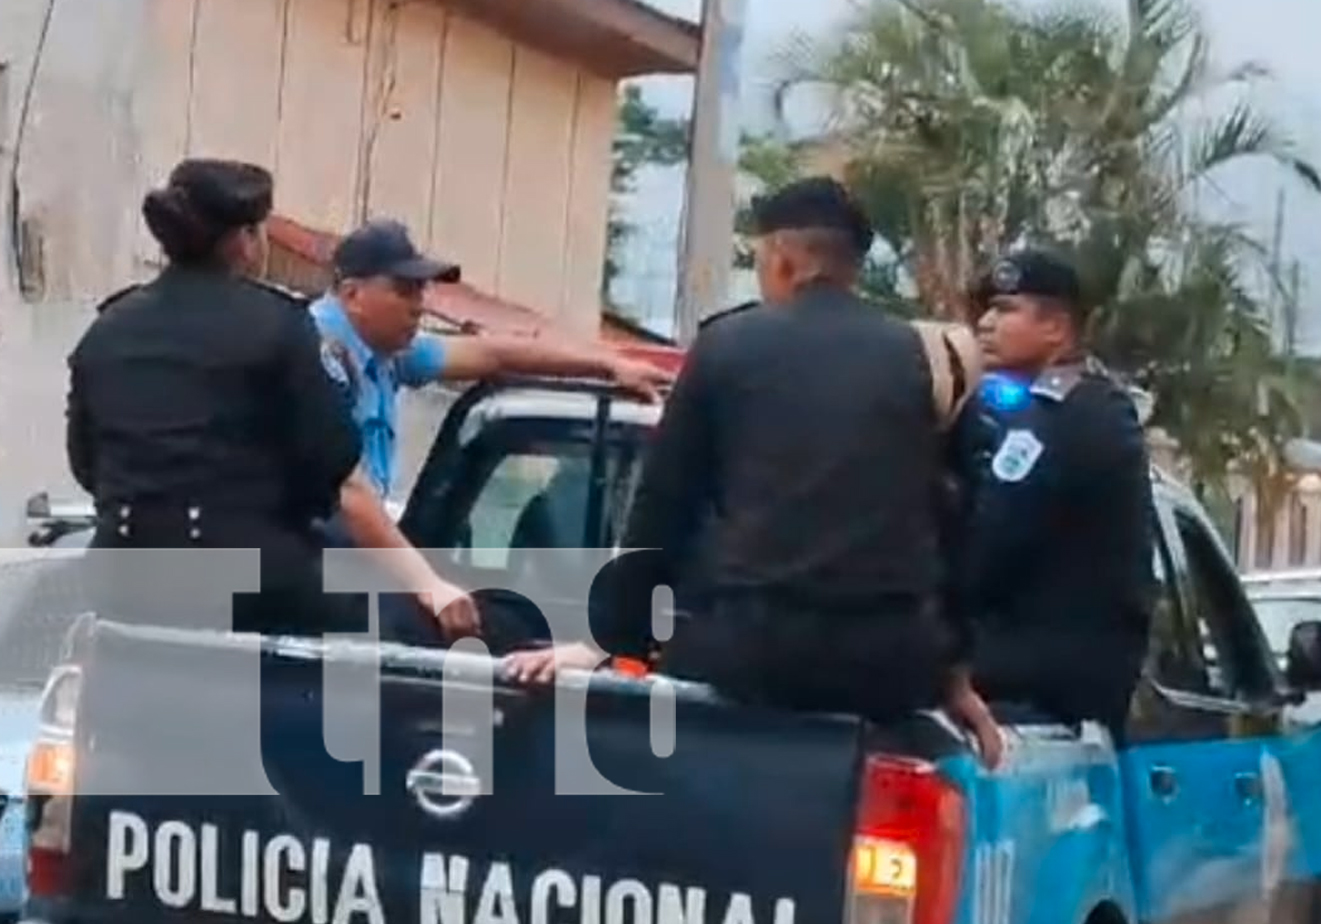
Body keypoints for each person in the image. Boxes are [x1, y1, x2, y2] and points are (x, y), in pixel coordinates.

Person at [579, 176, 1001, 765]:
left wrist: (612, 643)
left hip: (750, 655)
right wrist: (954, 673)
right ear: (851, 269)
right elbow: (958, 523)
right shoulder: (921, 359)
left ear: (781, 259)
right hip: (886, 667)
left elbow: (662, 508)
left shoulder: (727, 346)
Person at [307, 219, 676, 644]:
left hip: (351, 565)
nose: (420, 306)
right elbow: (349, 494)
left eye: (422, 291)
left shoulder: (384, 353)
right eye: (405, 291)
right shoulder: (318, 353)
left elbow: (491, 354)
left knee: (509, 623)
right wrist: (430, 587)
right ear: (353, 294)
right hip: (316, 569)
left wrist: (608, 364)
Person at [66, 158, 369, 636]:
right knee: (372, 628)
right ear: (244, 241)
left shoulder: (108, 328)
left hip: (124, 578)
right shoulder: (279, 326)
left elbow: (85, 462)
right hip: (253, 587)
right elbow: (332, 453)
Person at [956, 248, 1156, 739]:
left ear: (1056, 328)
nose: (984, 324)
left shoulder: (1078, 416)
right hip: (1025, 686)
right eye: (985, 311)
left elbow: (990, 540)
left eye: (1004, 311)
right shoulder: (1032, 411)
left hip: (1043, 698)